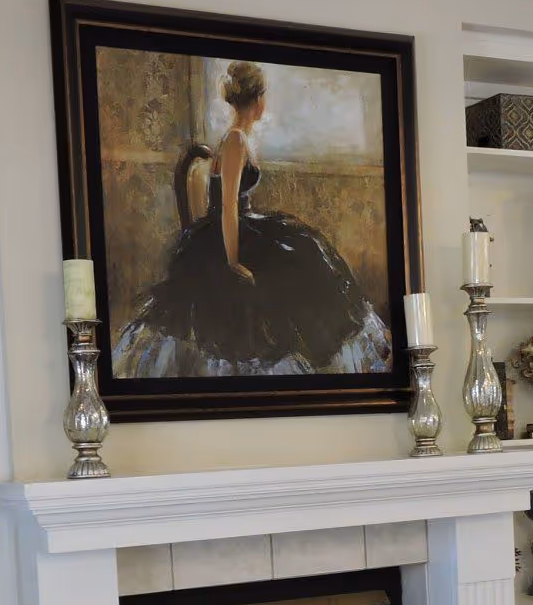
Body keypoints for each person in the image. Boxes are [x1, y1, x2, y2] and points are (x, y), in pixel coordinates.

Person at [113, 60, 391, 378]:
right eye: (264, 97)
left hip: (243, 225)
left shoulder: (242, 139)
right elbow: (229, 206)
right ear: (257, 100)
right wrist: (233, 261)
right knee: (300, 256)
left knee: (307, 249)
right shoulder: (234, 141)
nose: (265, 104)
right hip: (228, 233)